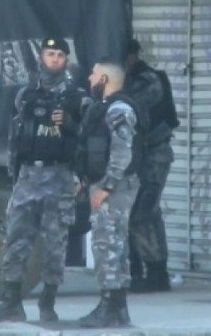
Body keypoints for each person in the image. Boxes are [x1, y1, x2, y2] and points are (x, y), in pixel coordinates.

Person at [0, 38, 87, 323]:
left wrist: (69, 126)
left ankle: (47, 302)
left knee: (55, 245)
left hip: (59, 176)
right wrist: (16, 176)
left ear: (66, 59)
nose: (54, 59)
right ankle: (11, 301)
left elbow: (88, 140)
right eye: (49, 54)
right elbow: (16, 139)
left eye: (59, 55)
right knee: (15, 240)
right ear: (41, 57)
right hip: (28, 176)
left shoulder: (76, 98)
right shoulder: (25, 95)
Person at [76, 62, 145, 328]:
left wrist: (106, 186)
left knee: (107, 245)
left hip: (116, 187)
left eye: (93, 74)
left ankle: (109, 307)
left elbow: (122, 153)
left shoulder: (119, 109)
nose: (90, 78)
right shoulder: (106, 107)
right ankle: (118, 309)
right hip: (108, 184)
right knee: (114, 244)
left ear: (104, 78)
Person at [124, 39, 176, 292]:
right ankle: (138, 271)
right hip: (137, 156)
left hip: (154, 156)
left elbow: (130, 106)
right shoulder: (129, 79)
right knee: (140, 214)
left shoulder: (147, 80)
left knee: (143, 214)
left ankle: (156, 273)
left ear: (132, 56)